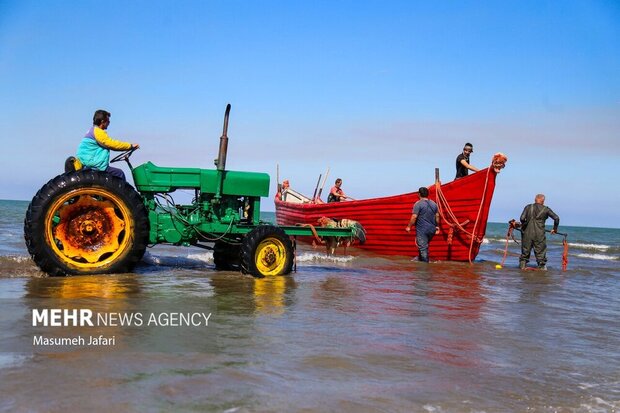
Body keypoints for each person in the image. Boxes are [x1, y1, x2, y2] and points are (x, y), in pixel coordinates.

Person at [76, 110, 139, 181]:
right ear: (102, 121)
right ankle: (125, 192)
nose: (109, 123)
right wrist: (130, 146)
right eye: (108, 121)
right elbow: (112, 144)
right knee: (120, 173)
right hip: (93, 165)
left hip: (88, 162)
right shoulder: (98, 132)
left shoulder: (92, 130)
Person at [518, 193, 560, 270]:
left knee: (524, 254)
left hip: (527, 234)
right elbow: (556, 218)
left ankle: (522, 269)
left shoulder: (528, 207)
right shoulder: (546, 209)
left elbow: (522, 218)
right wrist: (555, 229)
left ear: (535, 200)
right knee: (541, 255)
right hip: (539, 234)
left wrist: (524, 225)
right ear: (543, 201)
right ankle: (541, 271)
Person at [405, 187, 440, 262]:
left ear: (419, 194)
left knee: (423, 248)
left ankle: (424, 269)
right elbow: (437, 216)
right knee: (424, 246)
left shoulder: (418, 204)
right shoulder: (434, 204)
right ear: (428, 194)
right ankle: (420, 259)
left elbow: (414, 216)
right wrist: (437, 226)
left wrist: (409, 227)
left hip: (422, 230)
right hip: (432, 230)